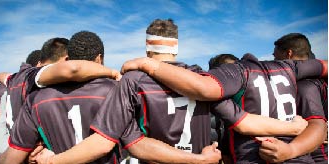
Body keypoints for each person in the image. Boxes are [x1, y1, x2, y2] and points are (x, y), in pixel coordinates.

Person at [34, 19, 309, 164]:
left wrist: (55, 161)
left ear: (147, 49)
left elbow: (115, 142)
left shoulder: (133, 81)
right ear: (175, 48)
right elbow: (243, 121)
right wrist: (293, 127)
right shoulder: (201, 77)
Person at [120, 41, 327, 163]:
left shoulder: (236, 76)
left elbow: (207, 90)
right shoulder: (290, 69)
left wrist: (148, 64)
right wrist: (294, 129)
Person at [0, 31, 125, 164]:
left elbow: (12, 158)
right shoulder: (117, 90)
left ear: (68, 58)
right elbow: (135, 143)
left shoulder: (36, 98)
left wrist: (5, 157)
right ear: (99, 58)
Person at [256, 33, 327, 163]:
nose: (274, 61)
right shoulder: (318, 78)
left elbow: (318, 126)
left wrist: (290, 150)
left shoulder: (305, 85)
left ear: (288, 54)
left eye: (275, 56)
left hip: (317, 156)